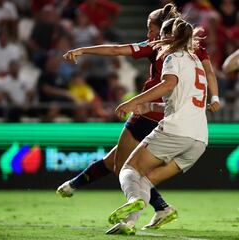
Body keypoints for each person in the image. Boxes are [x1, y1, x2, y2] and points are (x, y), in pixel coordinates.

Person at [57, 3, 220, 230]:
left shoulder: (161, 47)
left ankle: (144, 209)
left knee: (125, 167)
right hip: (192, 127)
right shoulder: (196, 50)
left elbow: (117, 51)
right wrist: (215, 98)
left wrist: (83, 50)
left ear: (162, 30)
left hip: (153, 114)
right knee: (124, 163)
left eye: (150, 29)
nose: (148, 35)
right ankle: (77, 187)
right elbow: (210, 73)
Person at [106, 17, 209, 235]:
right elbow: (183, 102)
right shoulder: (196, 63)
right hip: (199, 139)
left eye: (160, 35)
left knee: (128, 169)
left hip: (175, 131)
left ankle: (133, 199)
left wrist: (134, 101)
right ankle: (129, 223)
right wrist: (150, 105)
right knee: (145, 179)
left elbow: (168, 84)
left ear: (169, 36)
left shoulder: (173, 57)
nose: (156, 40)